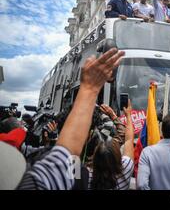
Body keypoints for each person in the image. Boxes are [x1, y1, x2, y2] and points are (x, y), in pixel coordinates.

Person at [17, 48, 125, 190]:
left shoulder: (73, 172)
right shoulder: (96, 157)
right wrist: (92, 91)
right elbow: (122, 136)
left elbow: (61, 160)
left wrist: (51, 141)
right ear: (91, 130)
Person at [87, 99, 134, 190]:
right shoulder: (125, 169)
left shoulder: (84, 177)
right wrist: (126, 115)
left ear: (94, 158)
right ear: (118, 157)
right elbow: (129, 139)